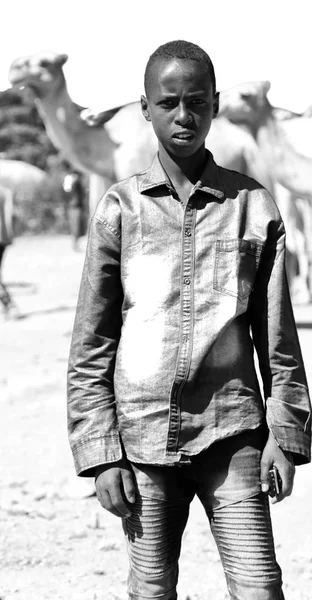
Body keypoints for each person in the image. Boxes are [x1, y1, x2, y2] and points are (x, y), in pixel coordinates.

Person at [67, 40, 311, 600]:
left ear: (216, 104)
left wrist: (286, 433)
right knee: (151, 589)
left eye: (196, 102)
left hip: (235, 436)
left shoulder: (254, 207)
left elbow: (277, 340)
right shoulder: (119, 210)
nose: (184, 116)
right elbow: (92, 347)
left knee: (259, 587)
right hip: (142, 440)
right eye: (169, 102)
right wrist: (102, 454)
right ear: (146, 108)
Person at [62, 169, 86, 251]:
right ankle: (75, 245)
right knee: (76, 227)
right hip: (75, 207)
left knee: (77, 227)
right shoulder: (75, 183)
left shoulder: (73, 183)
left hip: (74, 207)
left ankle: (75, 245)